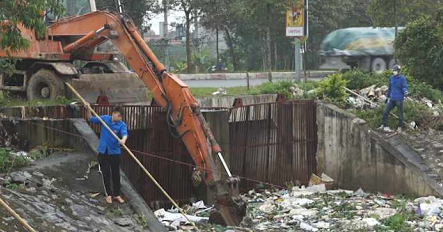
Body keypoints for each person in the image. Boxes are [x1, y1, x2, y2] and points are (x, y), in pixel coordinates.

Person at [86, 105, 128, 204]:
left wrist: (123, 140)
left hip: (114, 153)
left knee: (116, 174)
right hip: (103, 152)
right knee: (106, 173)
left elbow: (124, 134)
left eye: (117, 115)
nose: (114, 116)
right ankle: (108, 195)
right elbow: (90, 119)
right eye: (113, 113)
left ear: (120, 117)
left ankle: (117, 194)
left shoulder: (122, 125)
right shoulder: (105, 119)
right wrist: (88, 108)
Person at [379, 65, 408, 133]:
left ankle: (400, 127)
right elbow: (390, 88)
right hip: (392, 98)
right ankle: (384, 125)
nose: (394, 72)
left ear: (398, 71)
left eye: (395, 70)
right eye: (393, 70)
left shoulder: (402, 78)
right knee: (385, 111)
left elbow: (404, 87)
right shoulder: (391, 78)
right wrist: (387, 97)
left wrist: (405, 92)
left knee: (400, 114)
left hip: (399, 99)